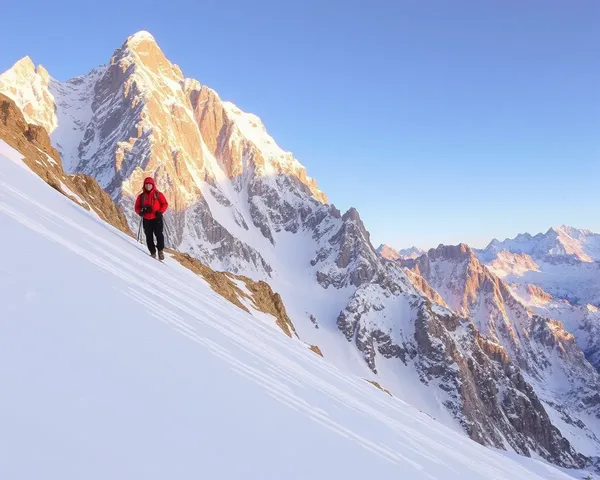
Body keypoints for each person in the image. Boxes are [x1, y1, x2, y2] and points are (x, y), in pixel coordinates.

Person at [134, 176, 168, 260]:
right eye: (146, 184)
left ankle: (160, 251)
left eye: (150, 184)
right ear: (144, 185)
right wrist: (141, 212)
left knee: (159, 234)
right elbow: (137, 208)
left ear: (153, 185)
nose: (148, 186)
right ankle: (152, 252)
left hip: (157, 218)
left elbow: (165, 204)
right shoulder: (141, 196)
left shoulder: (158, 194)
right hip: (146, 219)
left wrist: (160, 211)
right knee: (148, 236)